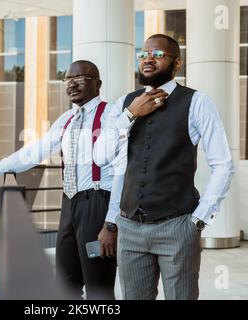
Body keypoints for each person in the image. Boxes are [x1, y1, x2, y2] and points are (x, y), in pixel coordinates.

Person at [93, 34, 235, 300]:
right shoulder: (124, 104)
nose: (148, 59)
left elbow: (223, 164)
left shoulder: (197, 102)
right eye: (144, 53)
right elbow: (100, 157)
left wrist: (199, 219)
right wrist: (129, 115)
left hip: (177, 226)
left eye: (158, 55)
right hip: (131, 227)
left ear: (177, 63)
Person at [0, 60, 118, 300]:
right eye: (68, 79)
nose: (72, 84)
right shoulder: (66, 120)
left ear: (98, 84)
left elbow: (124, 170)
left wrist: (111, 223)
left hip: (98, 203)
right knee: (66, 283)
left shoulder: (112, 115)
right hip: (69, 204)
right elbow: (32, 153)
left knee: (98, 286)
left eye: (79, 78)